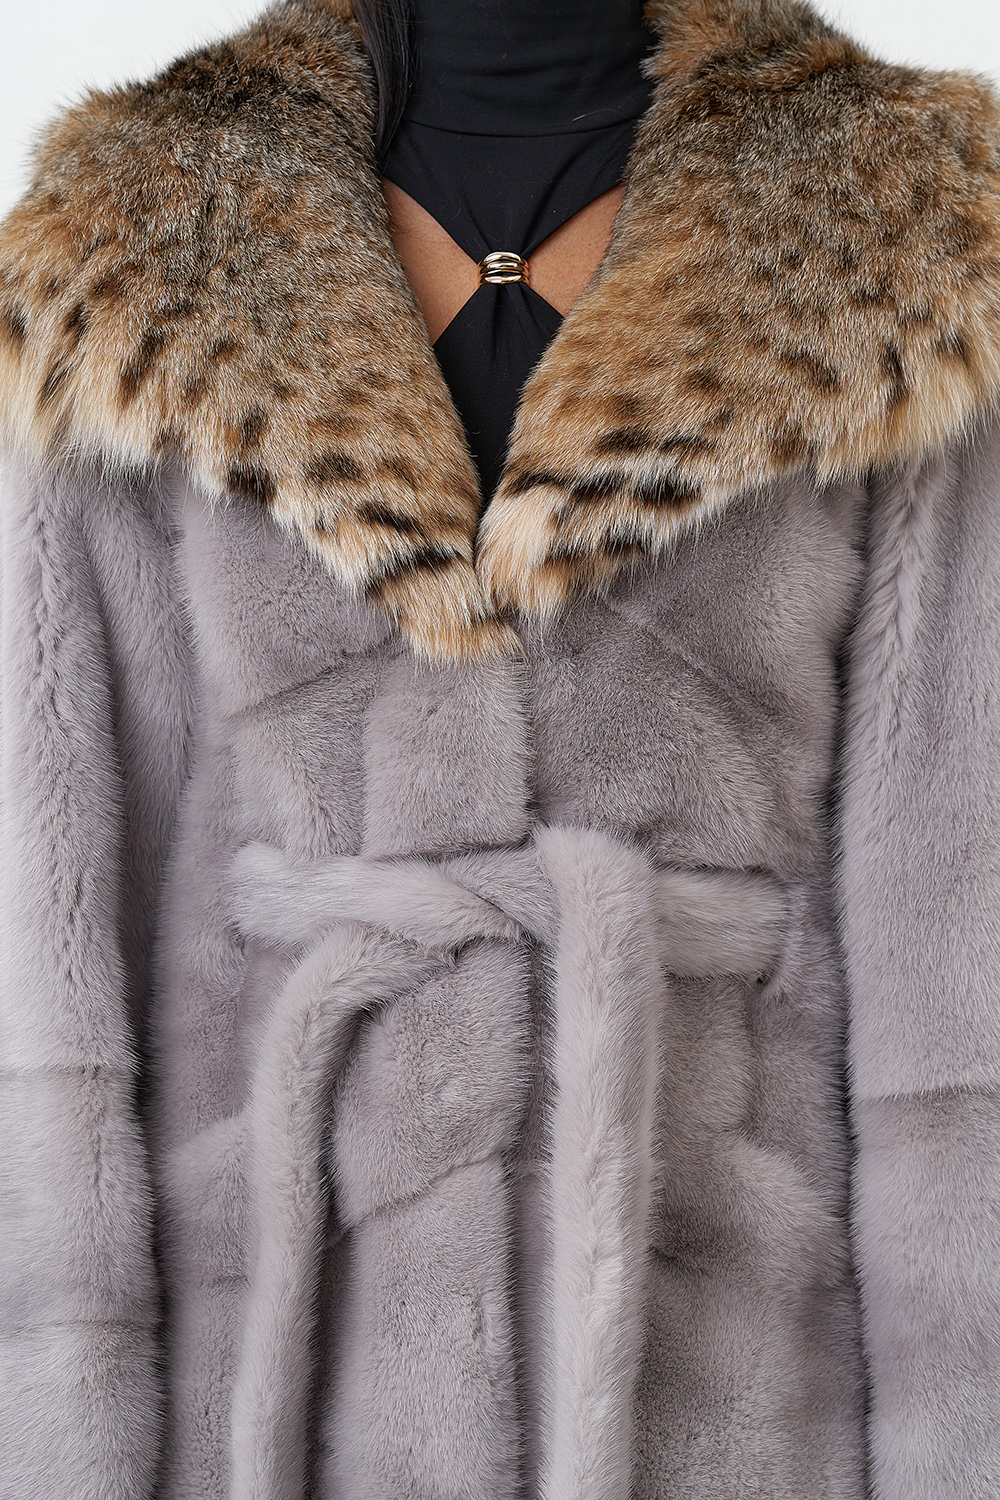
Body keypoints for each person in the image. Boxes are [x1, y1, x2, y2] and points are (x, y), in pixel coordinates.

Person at [1, 0, 999, 1496]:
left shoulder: (896, 238)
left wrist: (961, 1434)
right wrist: (63, 1430)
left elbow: (958, 921)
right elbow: (58, 914)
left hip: (720, 1364)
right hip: (272, 1343)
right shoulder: (135, 253)